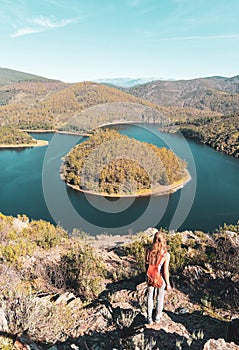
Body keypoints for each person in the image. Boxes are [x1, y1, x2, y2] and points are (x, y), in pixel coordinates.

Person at [145, 230, 171, 324]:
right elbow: (165, 271)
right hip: (159, 278)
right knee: (160, 298)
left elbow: (146, 265)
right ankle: (157, 317)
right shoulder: (166, 255)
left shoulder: (148, 251)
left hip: (150, 277)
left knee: (150, 297)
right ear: (163, 240)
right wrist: (168, 284)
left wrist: (147, 275)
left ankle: (149, 318)